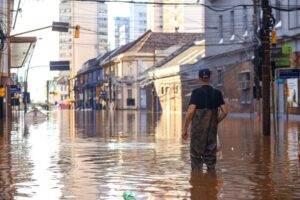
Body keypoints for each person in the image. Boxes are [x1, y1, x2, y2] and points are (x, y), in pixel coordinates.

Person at [182, 68, 228, 171]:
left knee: (196, 160)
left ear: (199, 78)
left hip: (198, 134)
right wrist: (216, 121)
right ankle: (211, 182)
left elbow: (190, 111)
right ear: (209, 78)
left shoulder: (196, 92)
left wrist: (184, 128)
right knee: (211, 161)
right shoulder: (217, 93)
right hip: (211, 133)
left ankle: (198, 183)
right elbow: (225, 111)